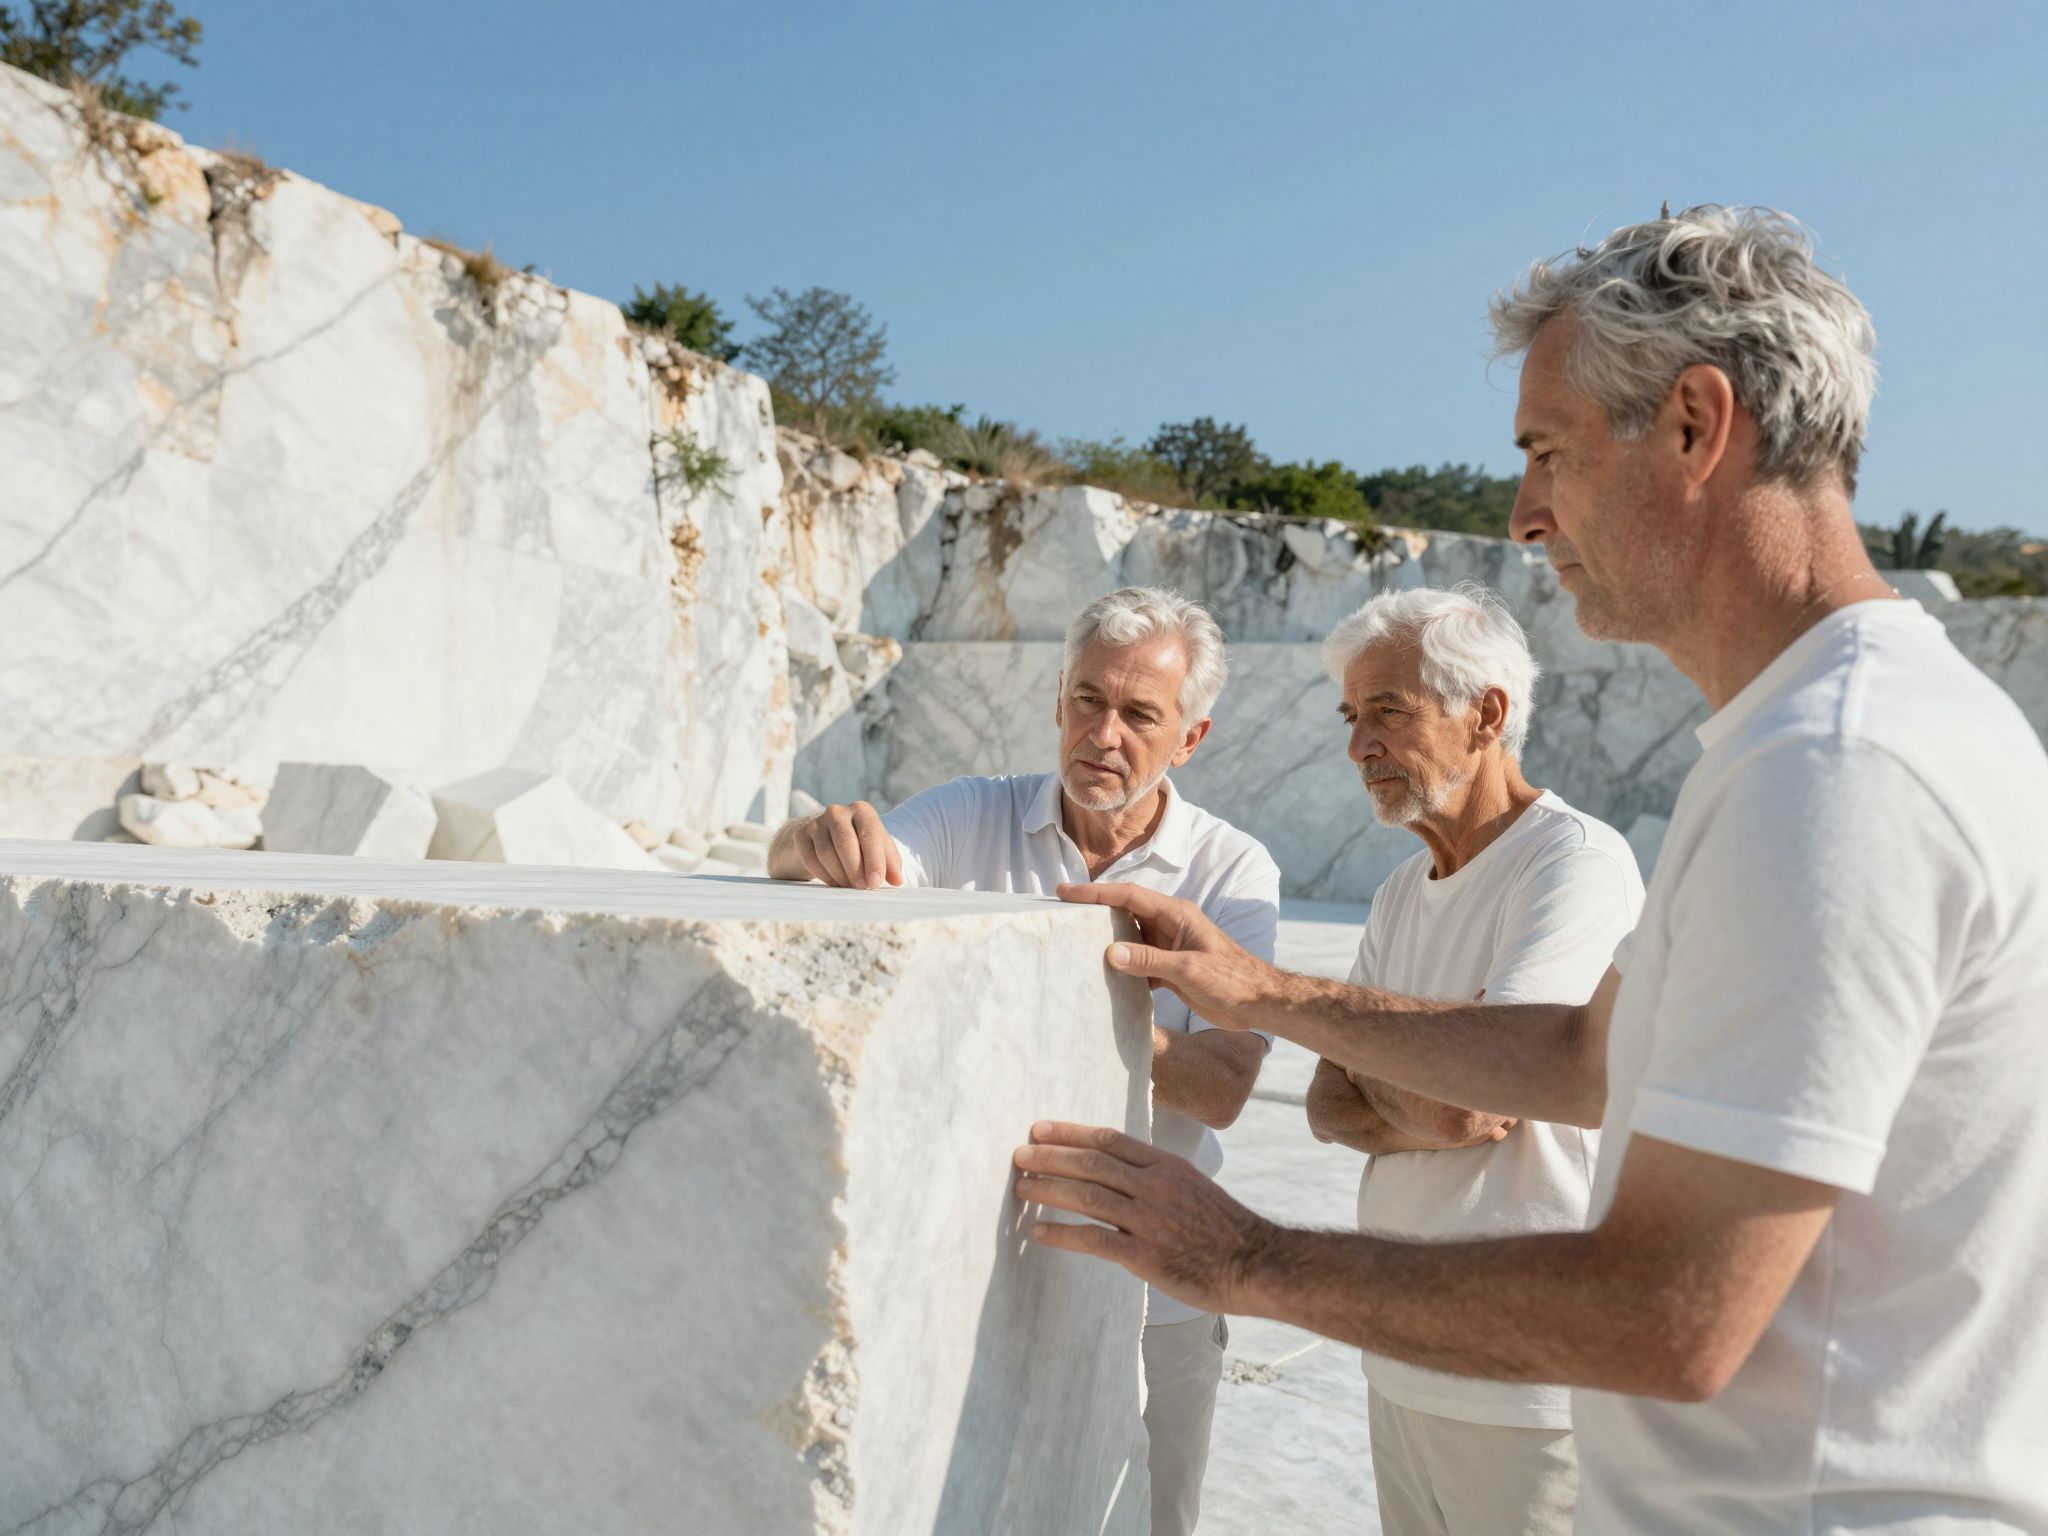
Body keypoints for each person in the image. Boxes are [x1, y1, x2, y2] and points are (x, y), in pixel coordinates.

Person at [1014, 206, 2048, 1533]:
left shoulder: (1835, 770)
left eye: (1547, 452)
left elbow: (1669, 1315)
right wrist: (1253, 992)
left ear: (1693, 424)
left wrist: (1242, 1256)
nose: (1522, 515)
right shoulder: (1834, 733)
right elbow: (1578, 1057)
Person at [768, 585, 1280, 1536]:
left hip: (1156, 1281)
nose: (1104, 733)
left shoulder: (1234, 872)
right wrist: (811, 841)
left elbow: (1223, 1085)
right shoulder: (971, 815)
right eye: (1088, 699)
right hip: (973, 1267)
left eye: (1140, 715)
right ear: (1056, 702)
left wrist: (1051, 1000)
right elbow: (814, 870)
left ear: (1191, 738)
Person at [1307, 583, 1641, 1535]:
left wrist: (1395, 1077)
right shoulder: (1398, 895)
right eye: (1352, 716)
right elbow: (1327, 1105)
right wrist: (1420, 1076)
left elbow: (1480, 1104)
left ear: (1487, 713)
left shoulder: (1572, 863)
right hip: (1398, 1355)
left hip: (1526, 1387)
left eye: (1388, 711)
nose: (1358, 745)